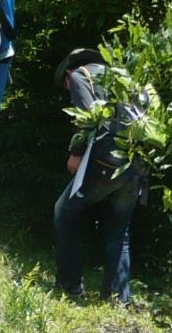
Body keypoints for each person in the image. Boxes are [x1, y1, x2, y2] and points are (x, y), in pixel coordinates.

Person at [52, 47, 145, 304]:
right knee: (119, 232)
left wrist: (76, 152)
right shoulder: (123, 79)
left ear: (68, 73)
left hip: (106, 160)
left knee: (64, 212)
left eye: (66, 86)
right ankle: (117, 300)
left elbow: (87, 116)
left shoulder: (81, 76)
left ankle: (70, 288)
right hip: (137, 162)